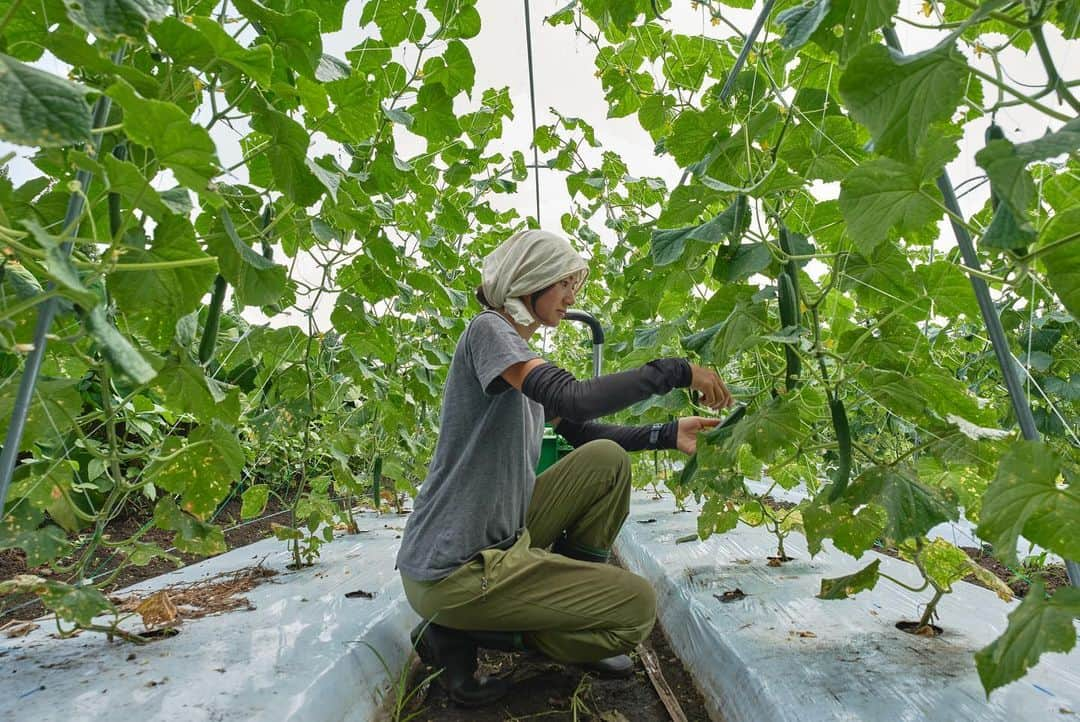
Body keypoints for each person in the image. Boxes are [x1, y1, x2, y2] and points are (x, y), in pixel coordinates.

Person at [395, 229, 733, 707]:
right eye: (563, 284)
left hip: (497, 539)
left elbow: (584, 431)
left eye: (575, 285)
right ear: (528, 281)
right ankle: (457, 634)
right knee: (636, 609)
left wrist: (665, 434)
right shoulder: (489, 330)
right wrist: (677, 371)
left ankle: (561, 613)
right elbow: (571, 395)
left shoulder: (522, 361)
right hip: (452, 570)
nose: (572, 297)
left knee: (606, 462)